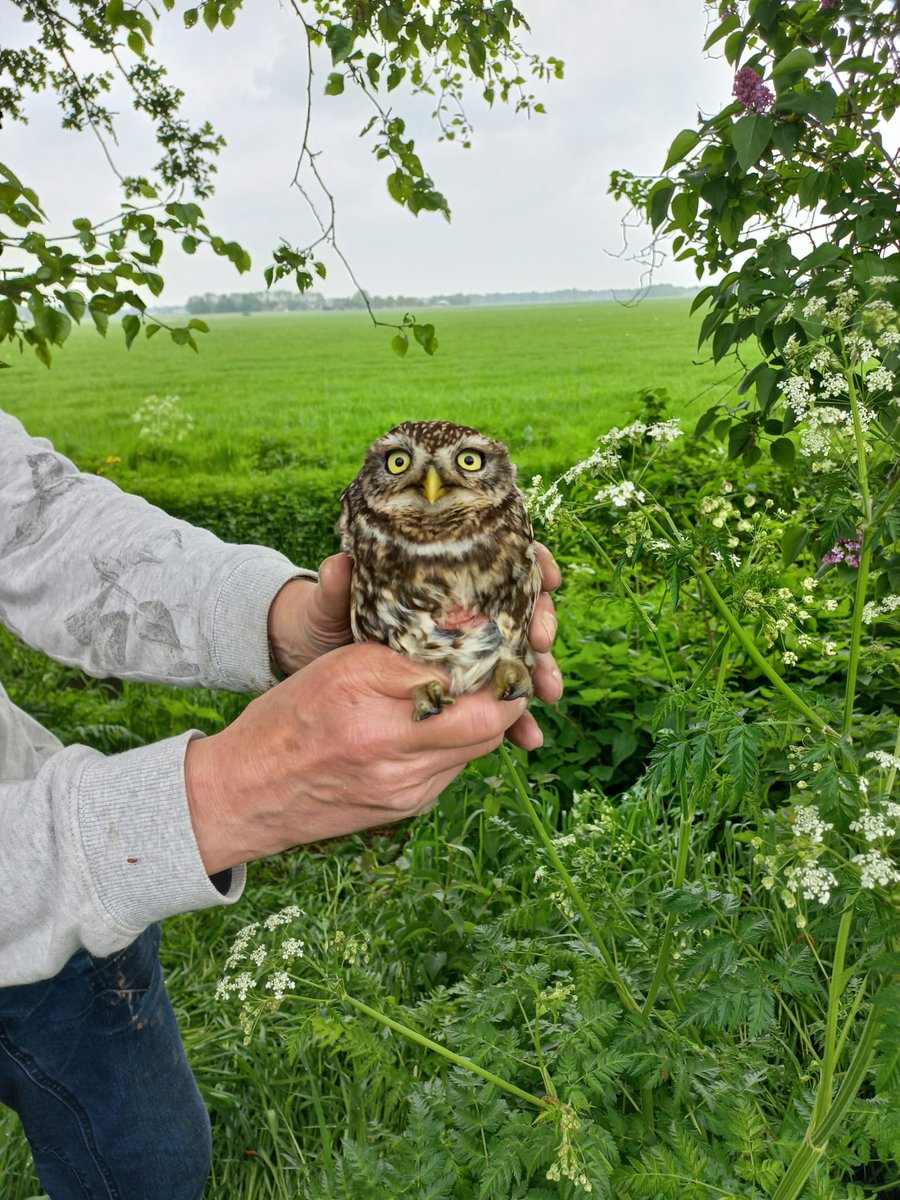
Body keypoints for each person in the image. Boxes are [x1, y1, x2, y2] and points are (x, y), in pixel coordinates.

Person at [0, 407, 562, 1199]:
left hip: (70, 891)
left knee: (150, 1163)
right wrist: (220, 797)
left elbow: (32, 516)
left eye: (465, 469)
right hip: (55, 866)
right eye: (403, 468)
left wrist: (287, 623)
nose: (433, 486)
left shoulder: (474, 533)